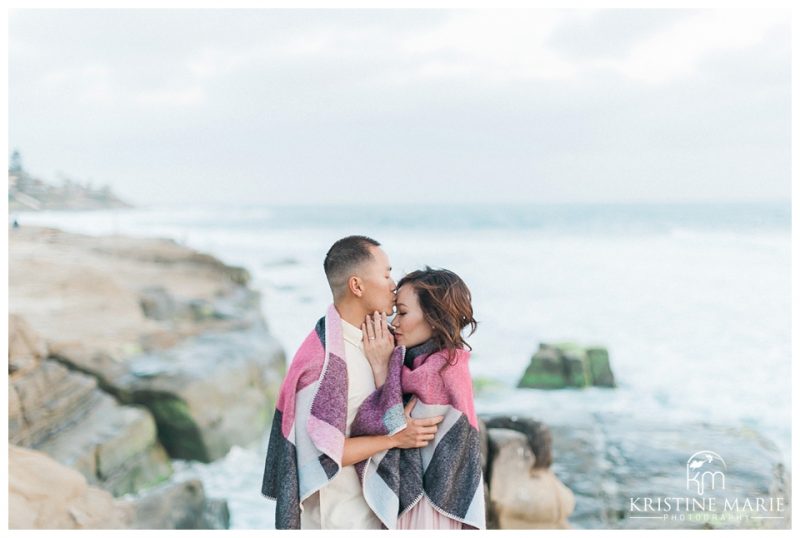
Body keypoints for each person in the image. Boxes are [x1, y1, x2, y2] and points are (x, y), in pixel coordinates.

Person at [261, 235, 444, 529]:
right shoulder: (320, 363)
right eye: (385, 274)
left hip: (378, 515)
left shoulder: (385, 341)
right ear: (357, 286)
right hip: (337, 521)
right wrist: (395, 439)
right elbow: (323, 452)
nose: (393, 284)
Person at [352, 267, 486, 529]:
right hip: (425, 502)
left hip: (430, 507)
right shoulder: (420, 363)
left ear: (434, 318)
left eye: (402, 313)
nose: (394, 323)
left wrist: (381, 368)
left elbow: (390, 429)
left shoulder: (443, 371)